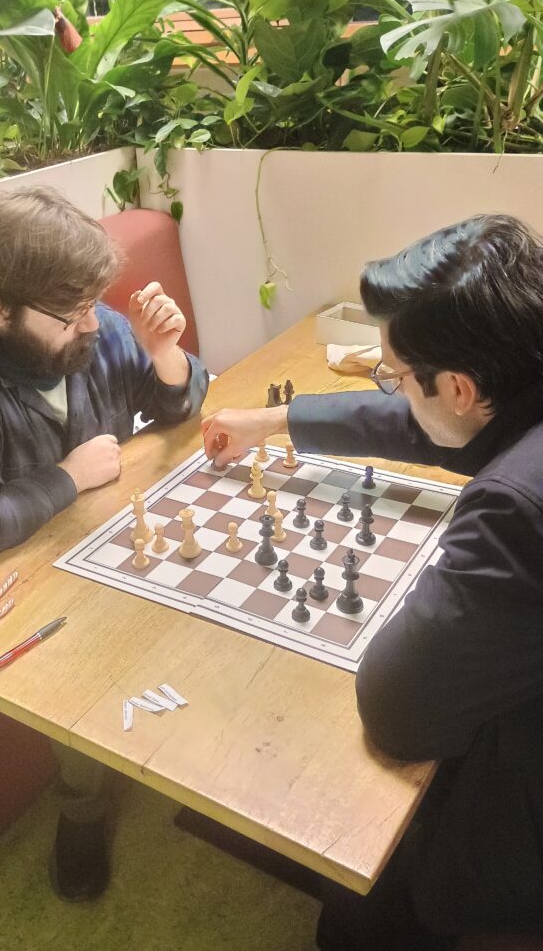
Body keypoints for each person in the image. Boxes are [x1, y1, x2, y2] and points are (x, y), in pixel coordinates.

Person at [202, 215, 543, 948]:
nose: (391, 387)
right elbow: (430, 424)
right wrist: (273, 421)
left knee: (364, 844)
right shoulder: (520, 379)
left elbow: (398, 709)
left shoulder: (516, 508)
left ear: (458, 386)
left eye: (396, 376)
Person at [0, 185, 209, 902]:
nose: (92, 323)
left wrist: (166, 356)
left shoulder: (90, 326)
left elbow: (178, 404)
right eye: (70, 315)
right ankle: (82, 809)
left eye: (93, 303)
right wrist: (69, 476)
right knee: (81, 652)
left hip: (76, 539)